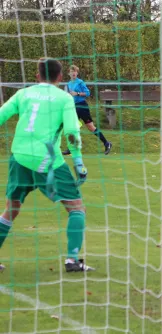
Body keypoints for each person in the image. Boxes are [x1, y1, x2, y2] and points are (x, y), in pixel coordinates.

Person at [0, 58, 94, 273]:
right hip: (47, 160)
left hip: (19, 157)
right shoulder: (64, 98)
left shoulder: (23, 94)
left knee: (10, 211)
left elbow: (1, 116)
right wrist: (78, 162)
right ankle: (72, 261)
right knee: (77, 208)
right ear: (60, 78)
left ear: (37, 76)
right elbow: (72, 132)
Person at [63, 65, 112, 155]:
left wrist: (77, 93)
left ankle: (107, 143)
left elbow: (88, 93)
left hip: (82, 106)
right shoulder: (68, 84)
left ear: (77, 73)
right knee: (72, 127)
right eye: (71, 71)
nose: (73, 73)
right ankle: (71, 148)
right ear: (69, 73)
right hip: (74, 107)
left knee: (91, 127)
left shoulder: (80, 82)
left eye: (75, 71)